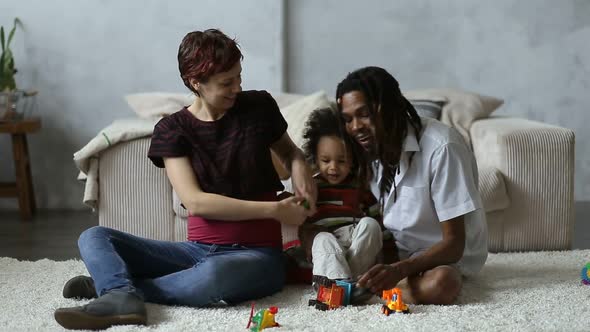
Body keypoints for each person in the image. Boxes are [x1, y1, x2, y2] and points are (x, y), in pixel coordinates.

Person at [54, 29, 317, 330]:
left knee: (214, 277)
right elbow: (195, 201)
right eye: (226, 83)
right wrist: (275, 210)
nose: (237, 87)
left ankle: (118, 288)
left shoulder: (259, 107)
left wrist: (301, 173)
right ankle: (119, 293)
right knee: (94, 237)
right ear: (196, 83)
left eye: (239, 77)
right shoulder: (173, 129)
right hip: (196, 250)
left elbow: (290, 153)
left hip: (257, 254)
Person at [335, 66, 488, 305]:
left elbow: (454, 244)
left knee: (442, 285)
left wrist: (399, 270)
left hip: (442, 258)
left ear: (388, 108)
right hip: (397, 253)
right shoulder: (367, 147)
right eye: (348, 119)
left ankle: (368, 289)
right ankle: (372, 285)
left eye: (364, 114)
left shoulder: (442, 147)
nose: (355, 127)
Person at [283, 108, 384, 297]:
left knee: (371, 225)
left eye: (341, 161)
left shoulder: (360, 187)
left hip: (353, 244)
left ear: (353, 159)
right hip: (325, 248)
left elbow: (379, 227)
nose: (333, 167)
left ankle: (345, 285)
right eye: (326, 160)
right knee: (323, 238)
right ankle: (338, 284)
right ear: (315, 158)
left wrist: (391, 262)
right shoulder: (311, 186)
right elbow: (298, 218)